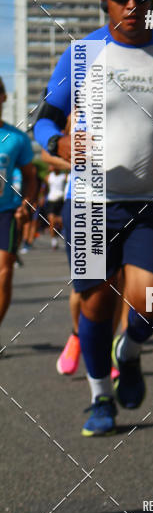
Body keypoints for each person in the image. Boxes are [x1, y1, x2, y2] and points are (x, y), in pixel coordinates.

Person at [34, 0, 153, 435]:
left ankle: (127, 351)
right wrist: (58, 143)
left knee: (150, 299)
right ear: (104, 2)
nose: (133, 5)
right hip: (89, 199)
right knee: (94, 304)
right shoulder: (82, 54)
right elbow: (45, 118)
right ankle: (99, 398)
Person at [0, 77, 37, 350]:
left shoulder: (17, 138)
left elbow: (30, 177)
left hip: (6, 212)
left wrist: (27, 204)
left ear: (3, 98)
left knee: (3, 273)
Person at [46, 164, 67, 249]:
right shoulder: (48, 177)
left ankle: (63, 236)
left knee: (62, 221)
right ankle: (53, 241)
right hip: (51, 201)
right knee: (51, 221)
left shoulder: (64, 176)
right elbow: (44, 189)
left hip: (60, 200)